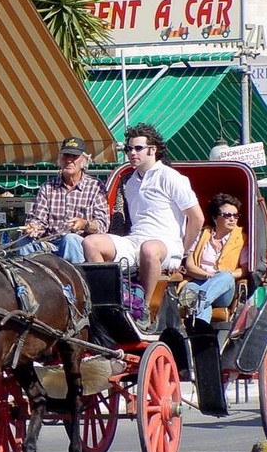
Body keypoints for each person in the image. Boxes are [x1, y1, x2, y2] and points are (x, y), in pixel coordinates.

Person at [83, 124, 205, 328]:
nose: (132, 153)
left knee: (149, 248)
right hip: (135, 241)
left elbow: (197, 218)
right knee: (91, 243)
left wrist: (183, 252)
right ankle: (109, 303)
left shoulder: (171, 177)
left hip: (166, 244)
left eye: (138, 148)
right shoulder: (130, 182)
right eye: (128, 149)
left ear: (153, 149)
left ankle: (145, 309)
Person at [17, 136, 109, 263]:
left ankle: (74, 281)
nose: (69, 160)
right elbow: (39, 220)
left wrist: (85, 224)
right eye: (66, 156)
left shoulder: (95, 186)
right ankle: (24, 282)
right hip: (49, 244)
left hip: (78, 245)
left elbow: (103, 225)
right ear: (60, 159)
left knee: (69, 239)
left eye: (74, 157)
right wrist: (33, 228)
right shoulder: (47, 187)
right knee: (23, 242)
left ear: (84, 160)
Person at [181, 193, 248, 323]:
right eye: (227, 215)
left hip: (224, 287)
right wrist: (209, 276)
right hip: (198, 281)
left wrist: (220, 277)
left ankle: (196, 304)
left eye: (235, 215)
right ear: (215, 218)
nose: (232, 219)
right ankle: (201, 336)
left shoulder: (242, 238)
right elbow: (189, 266)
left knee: (225, 276)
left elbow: (244, 270)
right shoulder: (201, 235)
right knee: (196, 296)